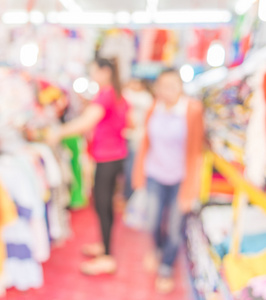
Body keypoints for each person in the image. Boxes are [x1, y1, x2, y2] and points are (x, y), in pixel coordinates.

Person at [47, 57, 130, 275]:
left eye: (94, 71)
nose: (92, 76)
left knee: (102, 206)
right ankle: (104, 246)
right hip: (113, 155)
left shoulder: (106, 94)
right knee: (104, 206)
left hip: (107, 158)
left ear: (104, 72)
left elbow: (86, 122)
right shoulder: (115, 93)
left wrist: (58, 133)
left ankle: (107, 257)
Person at [132, 69, 204, 293]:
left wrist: (191, 187)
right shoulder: (154, 107)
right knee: (152, 220)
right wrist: (139, 174)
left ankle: (166, 266)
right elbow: (146, 143)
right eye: (163, 86)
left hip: (180, 178)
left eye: (173, 86)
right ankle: (158, 249)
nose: (167, 91)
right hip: (155, 173)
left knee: (175, 227)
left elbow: (196, 151)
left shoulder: (191, 110)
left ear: (180, 87)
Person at [123, 79, 153, 201]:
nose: (132, 85)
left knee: (133, 169)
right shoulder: (127, 94)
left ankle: (132, 196)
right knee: (127, 169)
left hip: (139, 139)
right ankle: (128, 195)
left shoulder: (146, 98)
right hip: (127, 136)